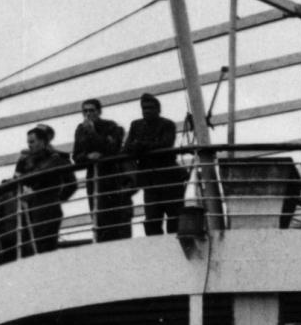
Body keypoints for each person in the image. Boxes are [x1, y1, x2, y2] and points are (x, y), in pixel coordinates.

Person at [123, 94, 185, 236]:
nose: (147, 111)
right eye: (144, 108)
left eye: (150, 108)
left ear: (158, 109)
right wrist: (144, 147)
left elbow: (165, 144)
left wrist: (141, 146)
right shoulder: (136, 125)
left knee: (174, 218)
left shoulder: (167, 124)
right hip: (150, 180)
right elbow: (127, 148)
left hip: (170, 179)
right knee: (152, 219)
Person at [73, 97, 131, 242]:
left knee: (112, 212)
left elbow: (113, 149)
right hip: (93, 176)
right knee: (96, 212)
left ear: (98, 111)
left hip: (111, 175)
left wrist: (93, 134)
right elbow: (76, 156)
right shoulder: (80, 130)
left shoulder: (111, 126)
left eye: (91, 110)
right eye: (85, 111)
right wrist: (88, 157)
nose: (88, 114)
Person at [14, 125, 76, 254]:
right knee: (29, 247)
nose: (30, 145)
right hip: (29, 208)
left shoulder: (57, 159)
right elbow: (16, 183)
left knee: (44, 247)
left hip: (46, 206)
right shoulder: (25, 161)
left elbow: (71, 184)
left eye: (32, 142)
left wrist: (55, 199)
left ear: (42, 142)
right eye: (28, 142)